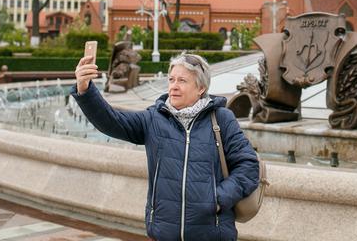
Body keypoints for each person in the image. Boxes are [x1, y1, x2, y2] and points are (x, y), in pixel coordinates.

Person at [73, 51, 259, 241]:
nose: (174, 87)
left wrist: (217, 199)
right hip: (164, 233)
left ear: (201, 87)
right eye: (171, 80)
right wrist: (85, 90)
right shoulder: (154, 118)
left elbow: (249, 166)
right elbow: (111, 121)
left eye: (182, 81)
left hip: (212, 234)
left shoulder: (221, 119)